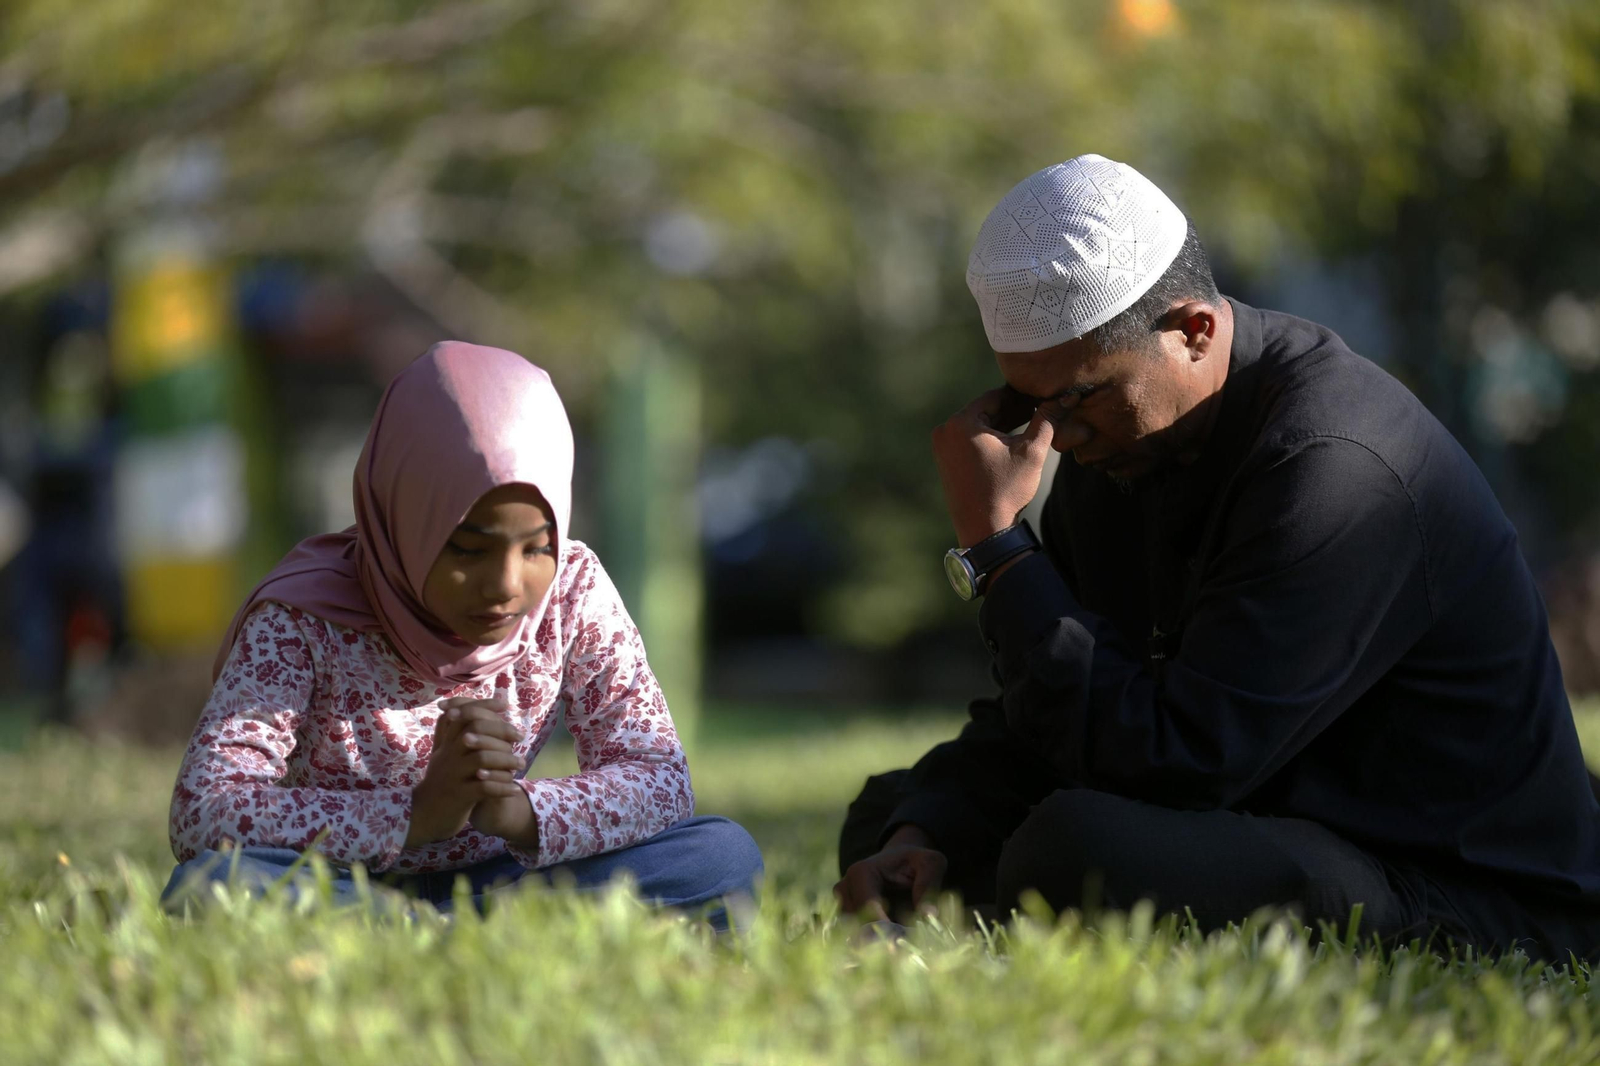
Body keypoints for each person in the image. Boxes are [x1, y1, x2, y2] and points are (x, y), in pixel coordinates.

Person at [836, 154, 1600, 960]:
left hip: (1459, 887)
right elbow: (1048, 709)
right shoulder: (1125, 445)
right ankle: (936, 884)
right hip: (1282, 824)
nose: (1058, 436)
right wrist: (925, 828)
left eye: (1075, 397)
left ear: (1193, 330)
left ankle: (979, 903)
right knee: (891, 812)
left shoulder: (1336, 464)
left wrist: (997, 548)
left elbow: (1184, 764)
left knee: (1075, 847)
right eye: (1027, 403)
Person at [164, 342, 761, 922]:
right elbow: (206, 809)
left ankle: (428, 930)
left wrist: (521, 813)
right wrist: (417, 814)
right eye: (468, 549)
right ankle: (460, 928)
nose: (505, 584)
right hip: (340, 877)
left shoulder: (572, 591)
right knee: (214, 883)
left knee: (720, 856)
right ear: (405, 515)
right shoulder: (303, 616)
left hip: (505, 875)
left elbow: (658, 776)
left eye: (536, 548)